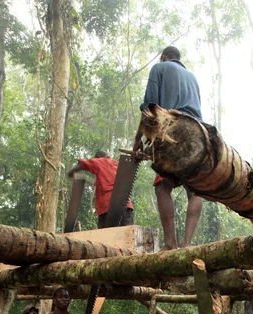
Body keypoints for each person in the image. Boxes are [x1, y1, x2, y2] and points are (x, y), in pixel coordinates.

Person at [133, 45, 204, 250]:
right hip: (198, 133)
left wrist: (138, 140)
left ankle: (171, 244)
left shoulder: (159, 68)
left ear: (164, 57)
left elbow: (149, 107)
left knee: (163, 187)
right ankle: (186, 244)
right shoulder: (193, 78)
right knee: (195, 191)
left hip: (171, 127)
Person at [67, 151, 134, 228]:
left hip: (107, 206)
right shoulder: (117, 164)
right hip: (126, 204)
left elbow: (81, 165)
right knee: (128, 234)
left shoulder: (100, 161)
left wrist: (71, 173)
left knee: (104, 237)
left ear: (97, 158)